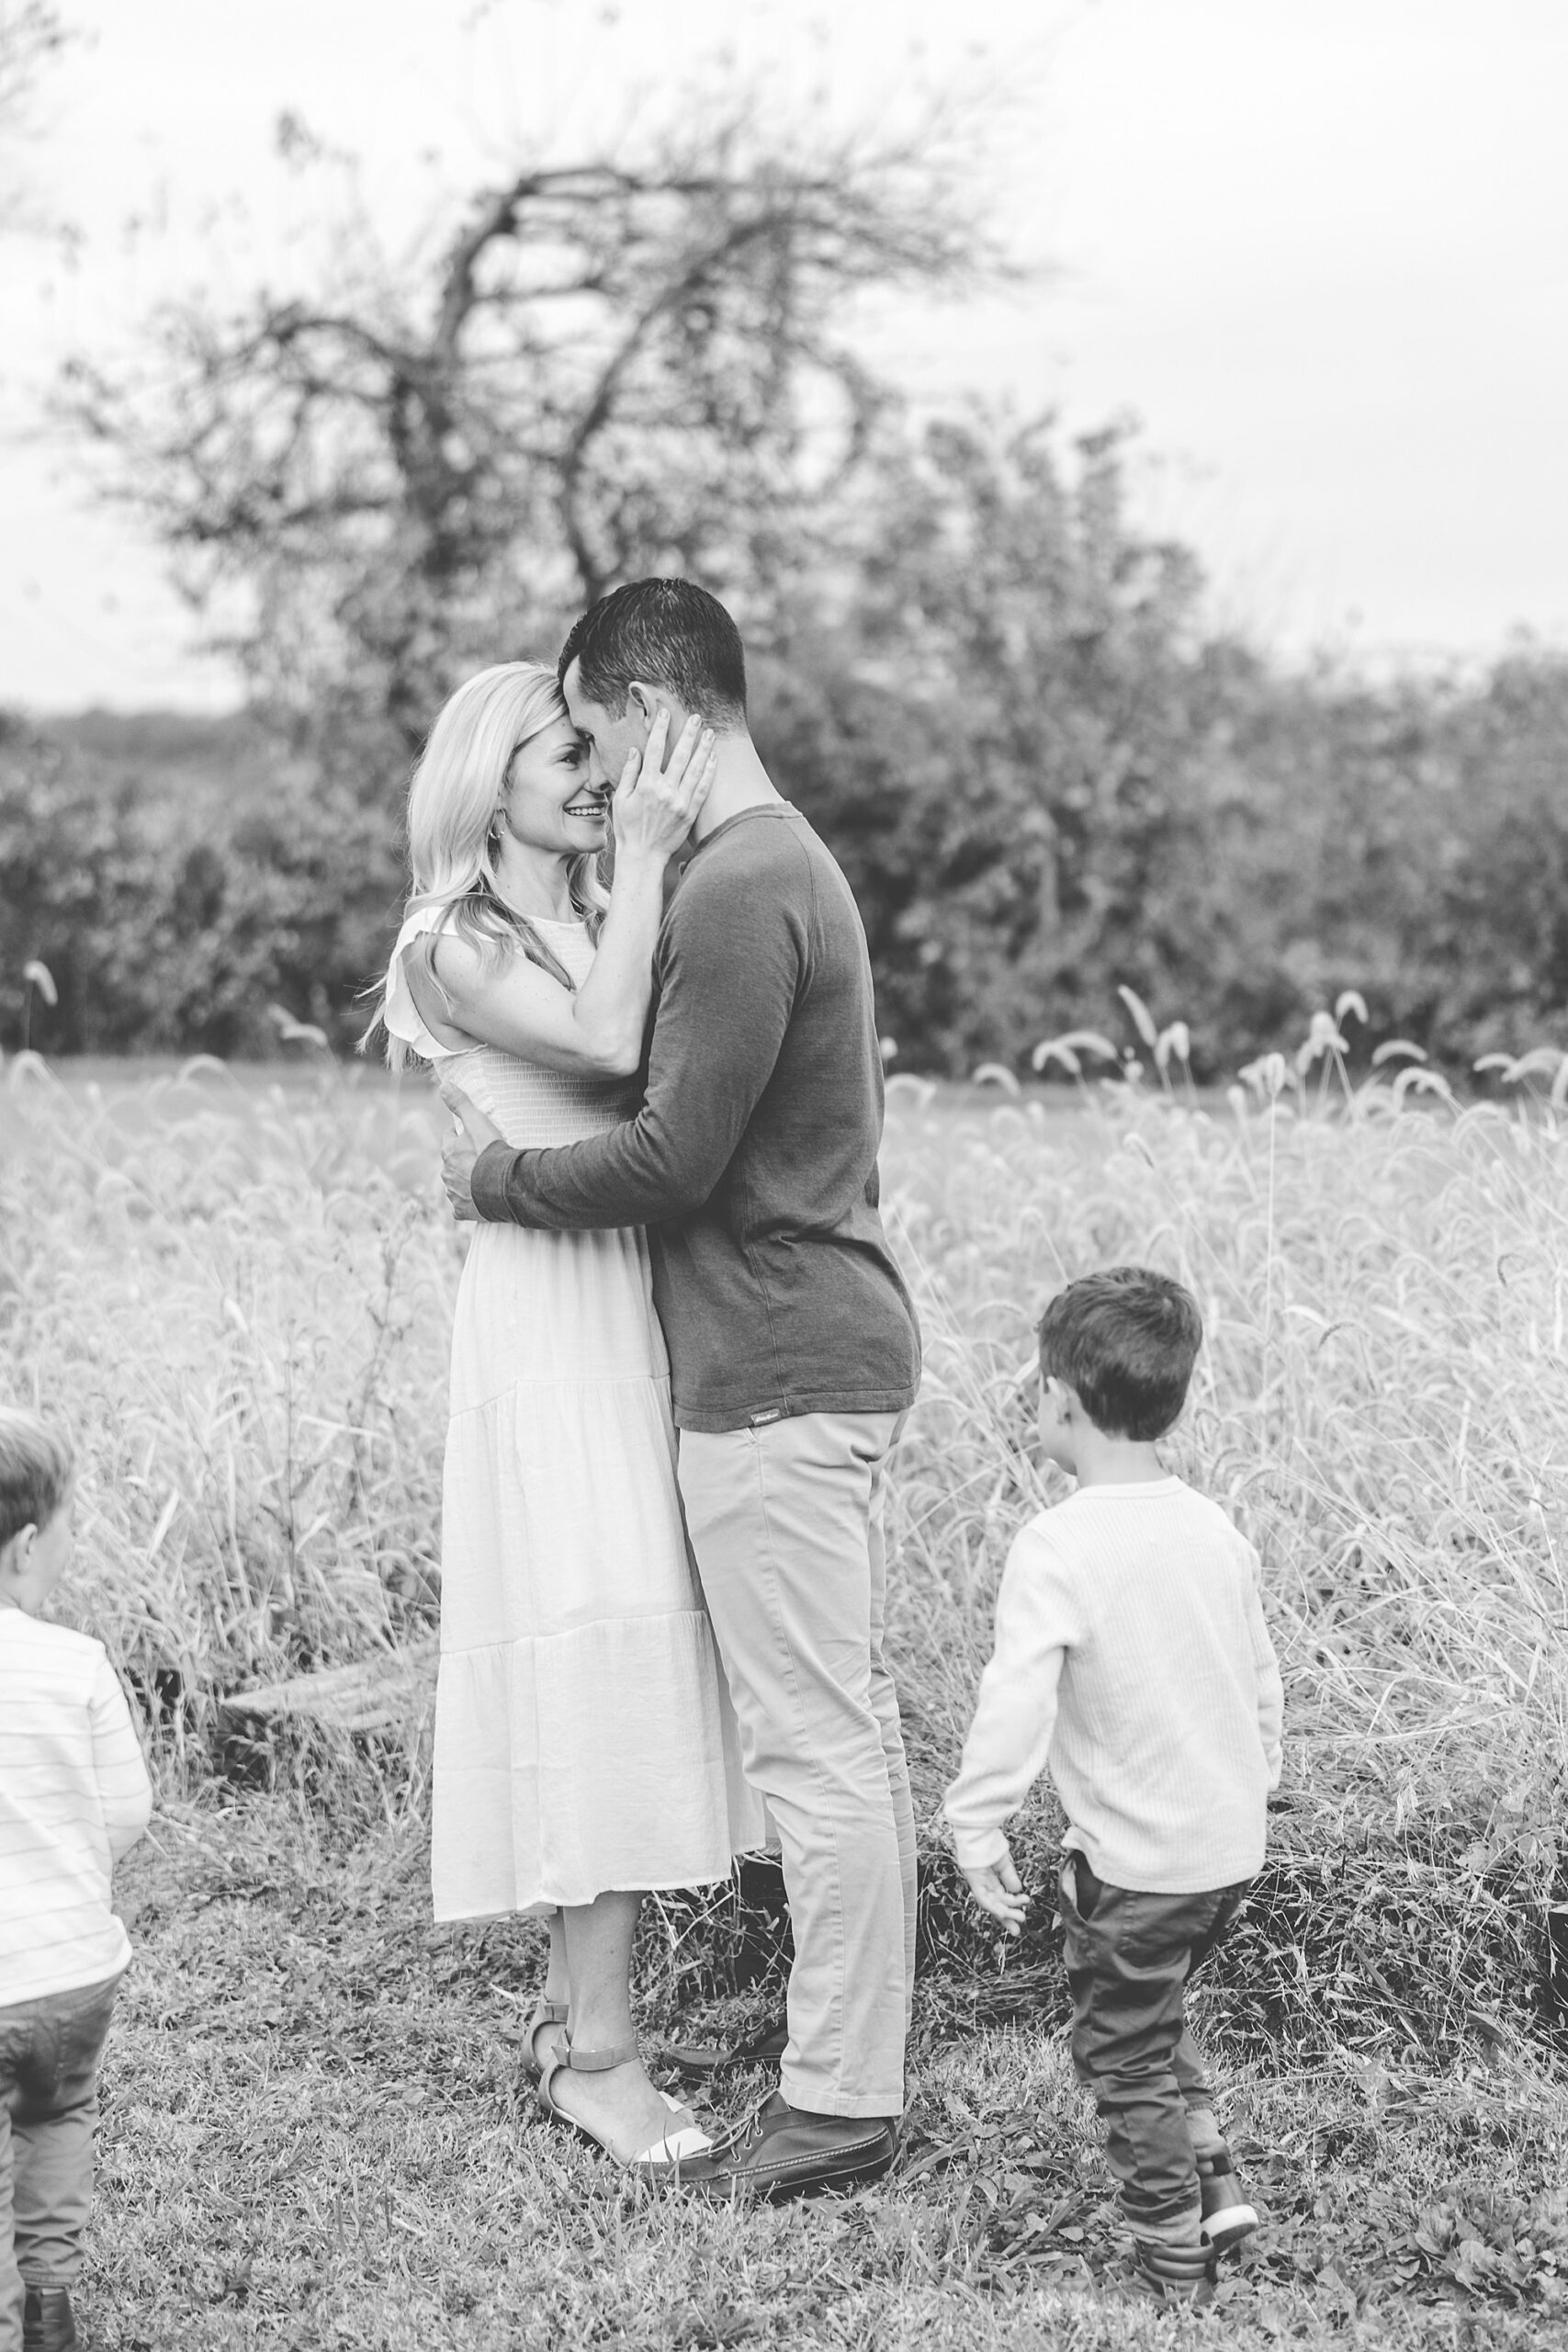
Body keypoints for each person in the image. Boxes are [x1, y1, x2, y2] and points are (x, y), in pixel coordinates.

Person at [442, 580, 922, 2200]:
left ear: (653, 716)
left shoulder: (733, 881)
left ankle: (840, 2104)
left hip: (779, 1368)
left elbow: (668, 1156)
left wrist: (496, 1179)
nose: (593, 766)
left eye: (597, 728)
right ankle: (805, 2071)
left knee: (820, 1756)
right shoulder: (773, 866)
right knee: (826, 1741)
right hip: (797, 1349)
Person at [370, 661, 764, 2174]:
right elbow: (610, 1054)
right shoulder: (450, 938)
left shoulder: (594, 914)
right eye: (566, 757)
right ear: (489, 777)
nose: (599, 782)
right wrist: (657, 856)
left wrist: (642, 886)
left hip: (625, 1302)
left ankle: (572, 2019)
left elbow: (665, 1062)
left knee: (631, 1634)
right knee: (592, 1630)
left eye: (600, 759)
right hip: (544, 1320)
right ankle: (599, 2056)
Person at [942, 1268, 1283, 2308]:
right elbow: (1262, 1680)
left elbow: (1015, 1701)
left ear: (1062, 1400)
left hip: (1135, 1869)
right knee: (1156, 2009)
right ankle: (1216, 2181)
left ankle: (1176, 2261)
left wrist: (976, 1820)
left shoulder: (1058, 1545)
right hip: (1225, 1853)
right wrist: (1252, 1786)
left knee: (1122, 2051)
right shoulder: (1213, 1530)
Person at [0, 1407, 152, 2352]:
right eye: (67, 1527)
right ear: (23, 1547)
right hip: (74, 1975)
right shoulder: (76, 1661)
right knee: (58, 2116)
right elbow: (126, 1812)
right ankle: (49, 2304)